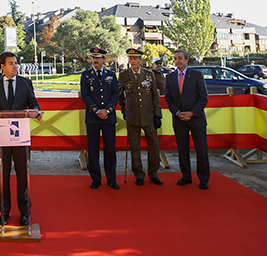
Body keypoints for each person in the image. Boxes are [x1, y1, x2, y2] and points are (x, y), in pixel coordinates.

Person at [0, 51, 41, 226]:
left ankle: (25, 213)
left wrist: (36, 111)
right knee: (3, 176)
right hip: (1, 137)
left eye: (16, 63)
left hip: (21, 138)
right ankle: (4, 213)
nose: (16, 66)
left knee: (23, 175)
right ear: (3, 66)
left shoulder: (25, 83)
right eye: (11, 64)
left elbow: (34, 103)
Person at [165, 49, 211, 190]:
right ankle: (186, 176)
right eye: (175, 59)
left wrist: (192, 113)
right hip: (179, 119)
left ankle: (203, 179)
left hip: (196, 119)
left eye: (180, 58)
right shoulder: (170, 77)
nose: (177, 61)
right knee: (182, 149)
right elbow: (168, 98)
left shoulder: (196, 75)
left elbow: (203, 98)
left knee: (201, 150)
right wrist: (178, 112)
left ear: (187, 60)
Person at [118, 48, 163, 186]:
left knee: (154, 145)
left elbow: (155, 96)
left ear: (140, 60)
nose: (133, 62)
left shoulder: (149, 74)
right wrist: (124, 110)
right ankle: (138, 174)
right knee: (135, 146)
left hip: (148, 116)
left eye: (135, 59)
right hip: (133, 116)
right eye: (131, 59)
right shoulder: (124, 75)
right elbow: (120, 95)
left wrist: (157, 115)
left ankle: (153, 173)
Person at [80, 47, 120, 190]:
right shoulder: (85, 75)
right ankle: (95, 178)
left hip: (108, 117)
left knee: (110, 149)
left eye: (98, 58)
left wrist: (107, 110)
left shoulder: (111, 75)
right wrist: (97, 110)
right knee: (93, 150)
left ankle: (112, 179)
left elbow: (116, 94)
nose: (95, 60)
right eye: (93, 58)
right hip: (93, 118)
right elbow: (85, 95)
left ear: (104, 59)